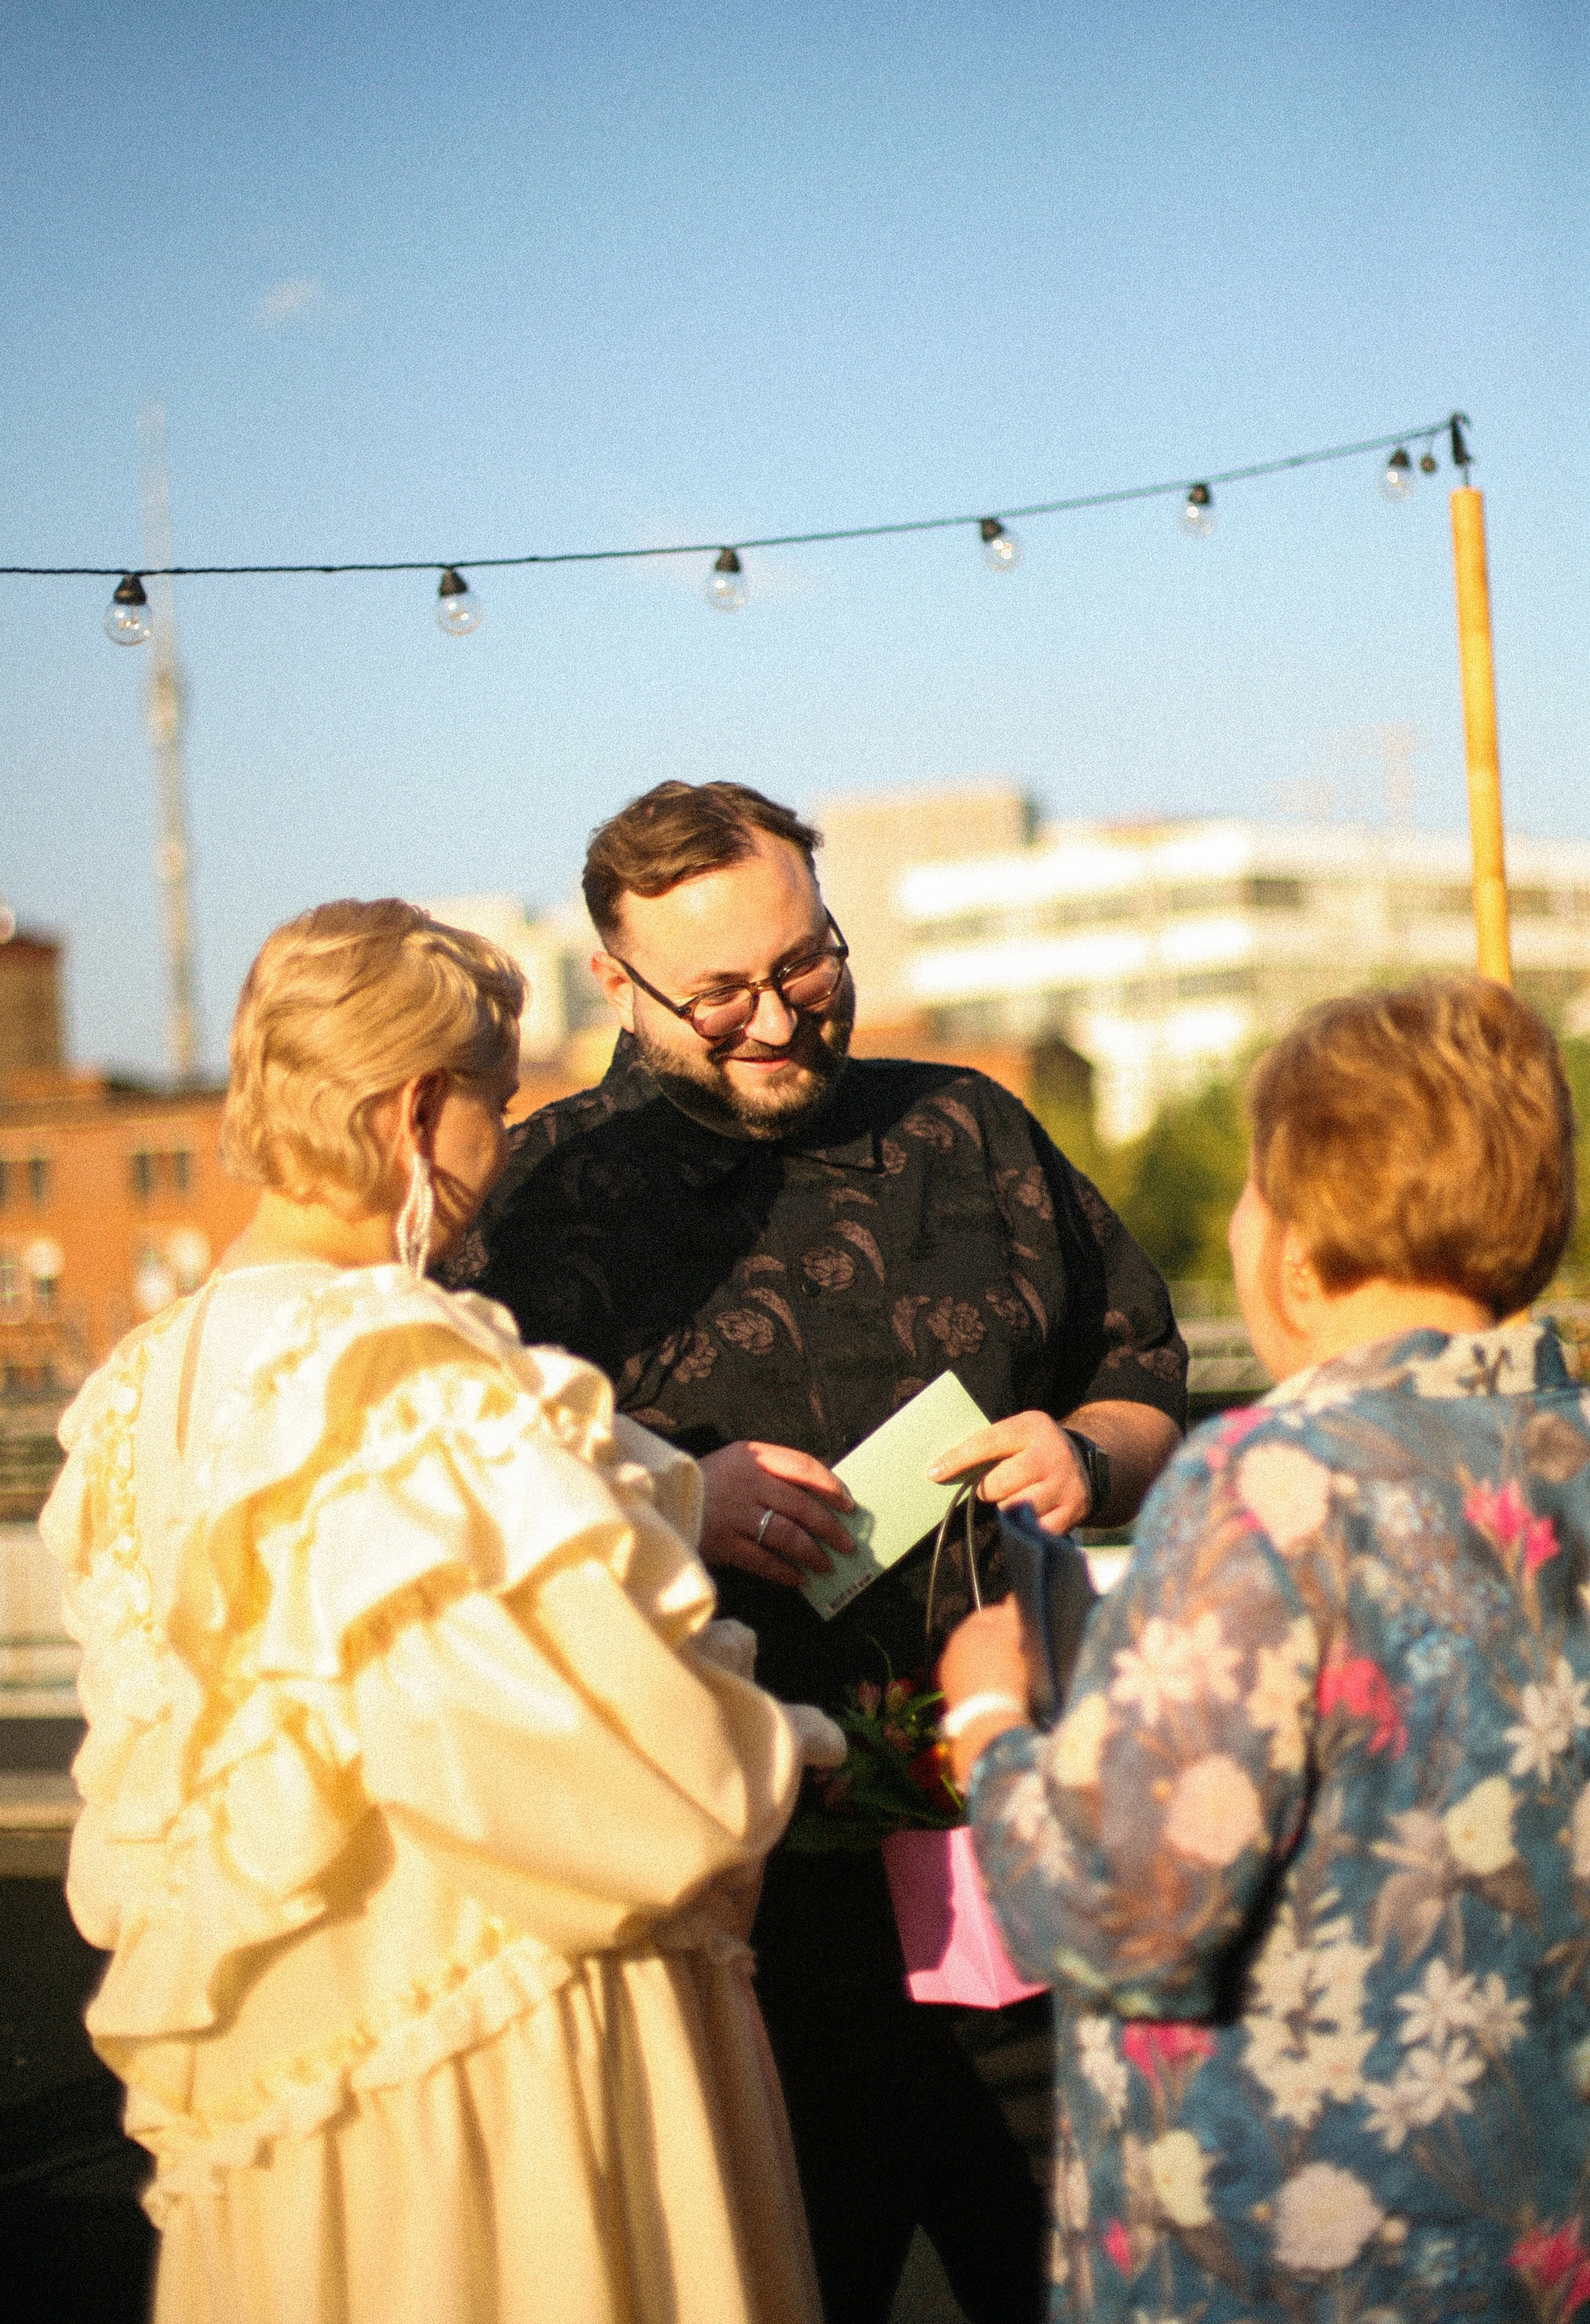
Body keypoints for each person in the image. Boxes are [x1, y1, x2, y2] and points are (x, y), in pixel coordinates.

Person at [455, 781, 1189, 2324]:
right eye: (718, 992)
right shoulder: (528, 1200)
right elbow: (465, 1550)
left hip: (1015, 1866)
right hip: (733, 1921)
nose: (778, 1020)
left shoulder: (968, 1128)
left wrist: (1084, 1452)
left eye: (807, 966)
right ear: (617, 980)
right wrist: (663, 1493)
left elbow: (1142, 1387)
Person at [40, 899, 829, 2324]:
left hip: (289, 2082)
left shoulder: (138, 1390)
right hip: (489, 2046)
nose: (500, 1141)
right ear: (417, 1110)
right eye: (496, 1100)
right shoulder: (399, 1368)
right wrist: (783, 1744)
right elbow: (634, 1783)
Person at [941, 973, 1590, 2322]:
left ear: (1296, 1244)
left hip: (1307, 2250)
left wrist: (989, 1721)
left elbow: (1124, 1915)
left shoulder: (1273, 1484)